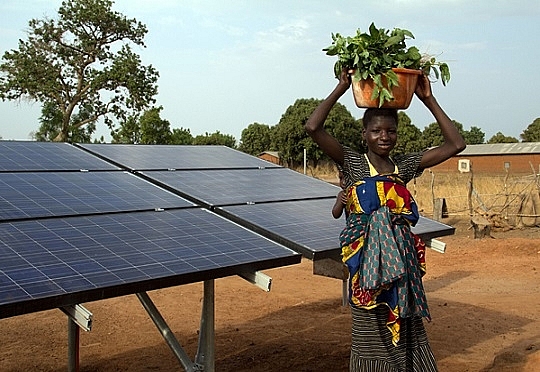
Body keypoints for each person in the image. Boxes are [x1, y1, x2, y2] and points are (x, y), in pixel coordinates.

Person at [305, 68, 466, 371]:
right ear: (364, 135)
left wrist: (428, 100)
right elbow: (313, 127)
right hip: (365, 262)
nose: (384, 137)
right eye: (376, 131)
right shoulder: (353, 163)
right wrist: (341, 87)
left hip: (400, 261)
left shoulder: (403, 166)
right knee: (369, 327)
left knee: (406, 322)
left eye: (390, 131)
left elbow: (456, 145)